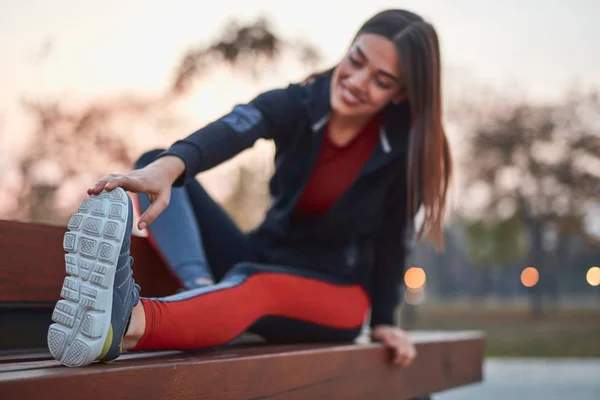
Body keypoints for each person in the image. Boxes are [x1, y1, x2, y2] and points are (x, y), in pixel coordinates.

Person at [47, 9, 452, 371]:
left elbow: (392, 241)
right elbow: (240, 125)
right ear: (348, 50)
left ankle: (125, 325)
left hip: (336, 293)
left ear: (401, 93)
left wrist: (384, 321)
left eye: (381, 81)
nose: (357, 82)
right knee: (159, 161)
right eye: (356, 60)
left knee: (256, 283)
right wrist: (167, 169)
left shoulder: (403, 152)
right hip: (265, 255)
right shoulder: (302, 103)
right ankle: (200, 289)